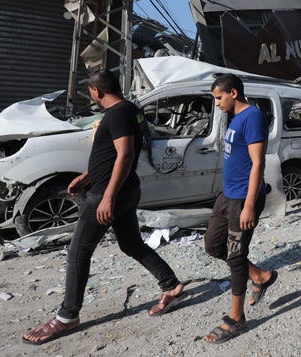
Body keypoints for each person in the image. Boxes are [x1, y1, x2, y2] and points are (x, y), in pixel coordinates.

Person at [22, 71, 186, 345]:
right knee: (131, 244)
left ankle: (67, 316)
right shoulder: (129, 110)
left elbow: (126, 154)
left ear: (97, 91)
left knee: (78, 252)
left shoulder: (118, 113)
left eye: (90, 92)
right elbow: (110, 155)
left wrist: (108, 195)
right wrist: (87, 175)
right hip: (122, 189)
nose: (91, 96)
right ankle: (171, 285)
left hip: (108, 194)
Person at [204, 74, 277, 343]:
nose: (217, 104)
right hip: (227, 196)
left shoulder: (253, 117)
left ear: (233, 93)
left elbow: (258, 163)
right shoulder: (235, 117)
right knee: (213, 246)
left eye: (219, 98)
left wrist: (248, 206)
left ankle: (236, 318)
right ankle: (260, 275)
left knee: (235, 255)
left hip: (243, 200)